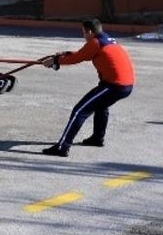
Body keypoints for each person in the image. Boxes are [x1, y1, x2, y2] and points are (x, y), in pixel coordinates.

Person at [41, 18, 135, 157]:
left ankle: (62, 147)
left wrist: (55, 61)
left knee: (79, 111)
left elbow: (77, 58)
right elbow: (81, 54)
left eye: (84, 33)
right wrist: (63, 55)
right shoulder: (107, 40)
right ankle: (97, 138)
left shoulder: (95, 42)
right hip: (125, 85)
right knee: (101, 105)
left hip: (114, 85)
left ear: (90, 32)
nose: (83, 36)